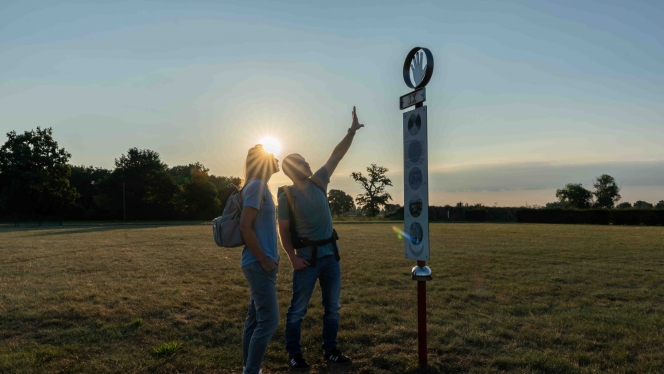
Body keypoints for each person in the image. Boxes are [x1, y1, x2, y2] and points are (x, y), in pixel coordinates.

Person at [278, 107, 364, 369]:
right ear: (294, 169)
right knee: (297, 311)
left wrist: (351, 131)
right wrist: (292, 258)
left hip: (331, 258)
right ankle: (295, 354)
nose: (309, 164)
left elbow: (336, 155)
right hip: (306, 261)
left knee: (332, 309)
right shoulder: (287, 196)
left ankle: (331, 351)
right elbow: (283, 230)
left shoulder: (319, 182)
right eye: (303, 162)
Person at [238, 144, 281, 374]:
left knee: (255, 320)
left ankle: (248, 368)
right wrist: (265, 260)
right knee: (269, 320)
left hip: (260, 263)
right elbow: (245, 226)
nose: (278, 159)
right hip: (258, 263)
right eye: (273, 156)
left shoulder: (260, 186)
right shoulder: (256, 186)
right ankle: (251, 371)